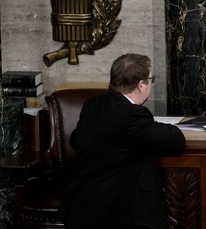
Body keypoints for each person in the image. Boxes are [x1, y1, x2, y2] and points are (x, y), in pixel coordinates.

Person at [59, 53, 186, 229]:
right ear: (141, 85)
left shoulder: (92, 104)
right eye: (151, 79)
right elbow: (175, 139)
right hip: (116, 212)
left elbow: (76, 139)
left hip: (80, 205)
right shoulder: (133, 116)